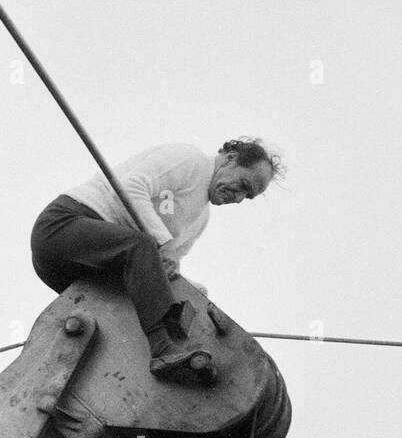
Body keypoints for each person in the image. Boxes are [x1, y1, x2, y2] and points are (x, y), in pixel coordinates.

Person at [30, 137, 284, 383]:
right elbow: (132, 186)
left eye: (246, 197)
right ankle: (162, 350)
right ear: (230, 159)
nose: (238, 198)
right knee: (142, 246)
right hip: (63, 228)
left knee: (162, 296)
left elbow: (161, 268)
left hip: (90, 268)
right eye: (242, 184)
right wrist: (163, 242)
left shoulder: (201, 219)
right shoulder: (191, 161)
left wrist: (194, 295)